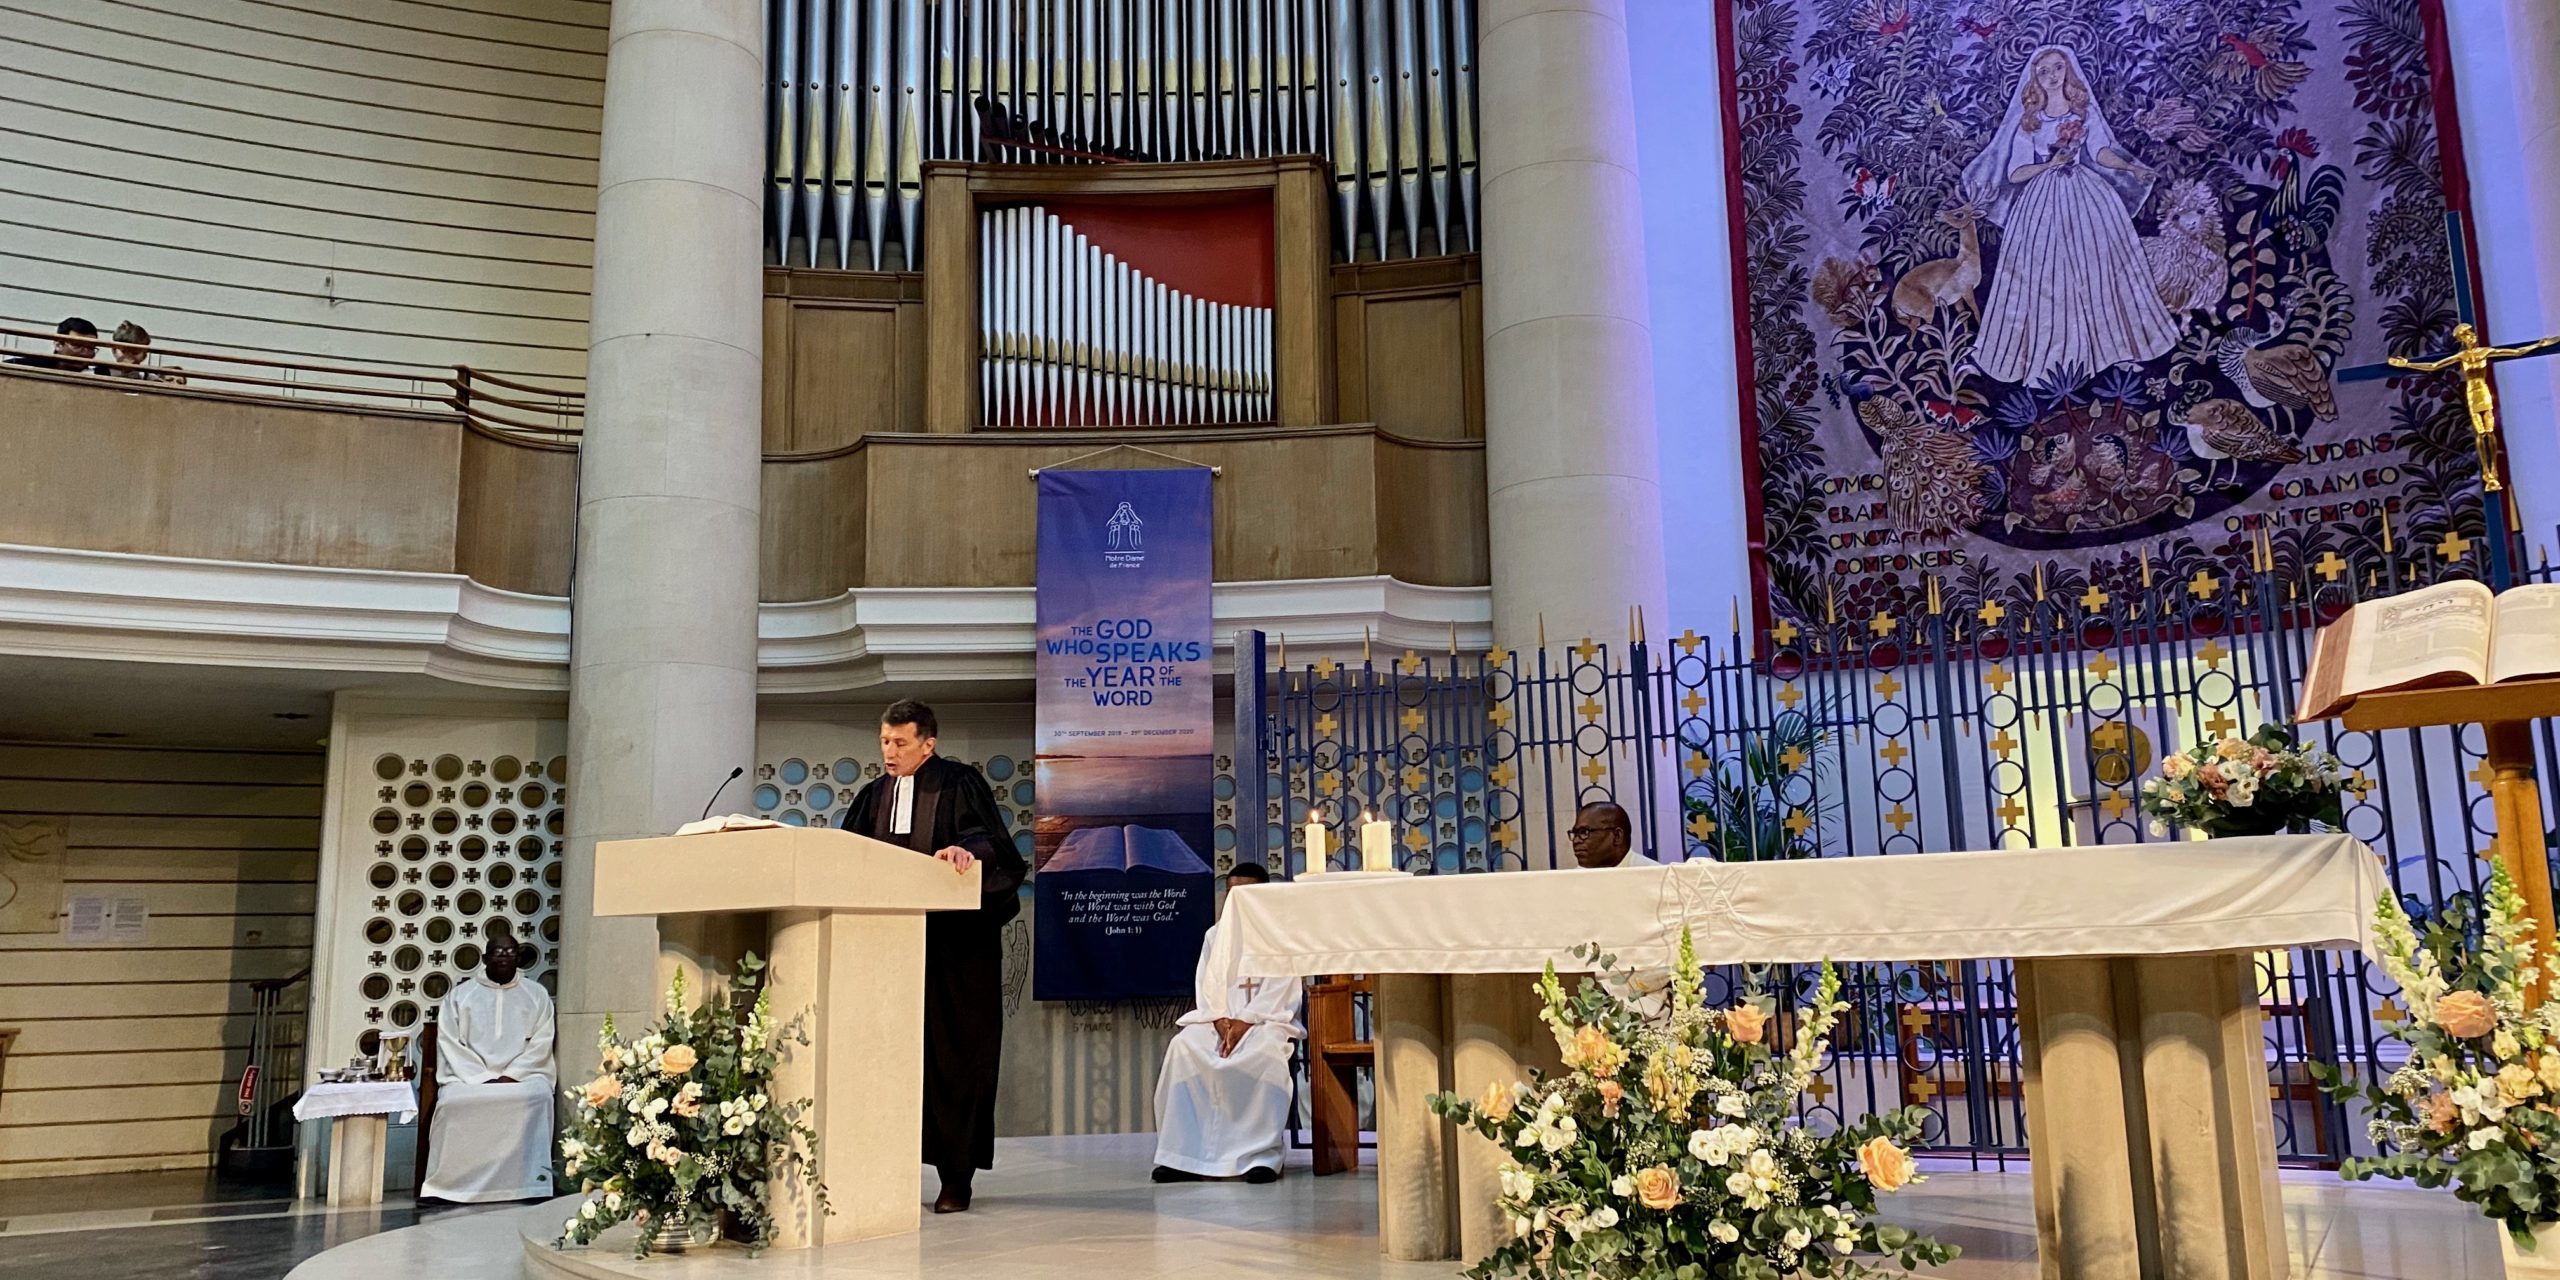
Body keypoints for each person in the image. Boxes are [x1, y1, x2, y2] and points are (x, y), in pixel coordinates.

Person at [838, 699, 1027, 1213]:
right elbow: (845, 853)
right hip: (885, 948)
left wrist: (968, 854)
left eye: (900, 742)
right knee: (884, 1058)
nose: (889, 751)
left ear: (929, 743)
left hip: (955, 948)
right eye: (884, 741)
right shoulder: (872, 795)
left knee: (955, 1059)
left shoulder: (959, 782)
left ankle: (955, 1178)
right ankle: (880, 1172)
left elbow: (993, 845)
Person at [1960, 45, 2176, 387]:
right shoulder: (2030, 121)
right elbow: (2015, 173)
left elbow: (2101, 152)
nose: (2051, 76)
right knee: (2044, 277)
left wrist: (2130, 167)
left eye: (2056, 68)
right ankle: (2053, 361)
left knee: (2100, 270)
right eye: (2043, 71)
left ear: (2067, 70)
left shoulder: (2083, 112)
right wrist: (2049, 164)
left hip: (2087, 198)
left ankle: (2114, 352)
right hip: (2042, 202)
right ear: (2034, 78)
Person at [1151, 862, 1302, 1184]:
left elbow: (1283, 988)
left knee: (1264, 1055)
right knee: (1185, 1047)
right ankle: (1181, 1156)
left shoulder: (1281, 934)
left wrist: (1245, 1021)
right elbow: (1208, 983)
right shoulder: (1215, 935)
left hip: (1264, 1021)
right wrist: (1221, 1020)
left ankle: (1259, 1157)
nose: (1237, 901)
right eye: (1232, 894)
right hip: (1217, 1021)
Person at [420, 926, 557, 1204]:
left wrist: (513, 1074)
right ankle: (446, 1188)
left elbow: (542, 1041)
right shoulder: (461, 996)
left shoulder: (537, 994)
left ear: (519, 958)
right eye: (498, 951)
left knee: (539, 1097)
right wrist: (481, 1076)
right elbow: (450, 1042)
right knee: (452, 1103)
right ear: (484, 958)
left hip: (522, 1077)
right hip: (469, 1078)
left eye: (510, 951)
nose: (504, 956)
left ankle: (531, 1186)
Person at [1567, 800, 1661, 869]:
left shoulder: (1654, 876)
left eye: (1584, 832)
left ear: (1617, 836)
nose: (1576, 841)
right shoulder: (1573, 881)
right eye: (1575, 833)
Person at [4, 316, 104, 374]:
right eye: (77, 345)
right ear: (58, 344)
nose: (85, 352)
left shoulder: (100, 374)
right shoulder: (30, 367)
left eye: (91, 347)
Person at [105, 321, 185, 384]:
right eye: (124, 351)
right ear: (114, 350)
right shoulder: (99, 372)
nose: (128, 357)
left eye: (135, 353)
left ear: (144, 355)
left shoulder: (150, 379)